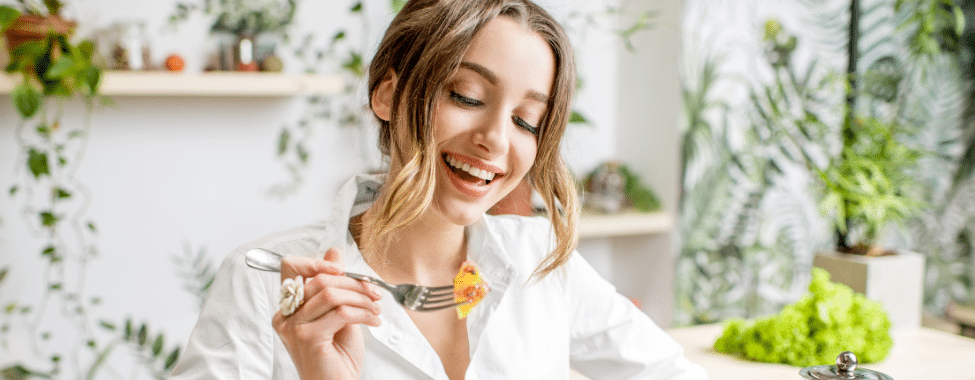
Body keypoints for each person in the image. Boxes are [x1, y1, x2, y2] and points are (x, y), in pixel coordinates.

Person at [169, 0, 708, 379]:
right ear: (388, 96)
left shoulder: (542, 262)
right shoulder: (264, 281)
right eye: (467, 96)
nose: (495, 140)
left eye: (527, 121)